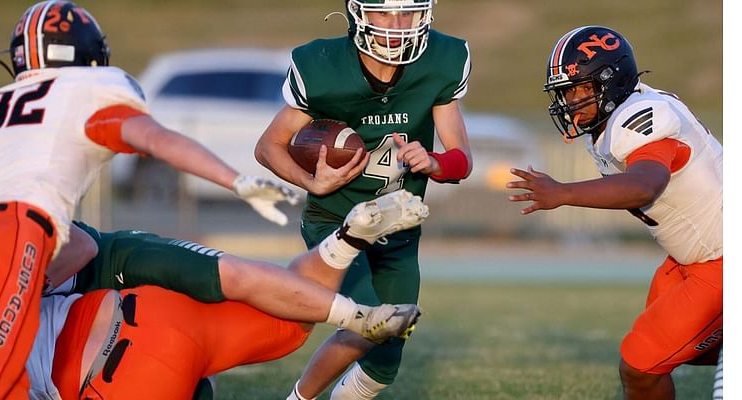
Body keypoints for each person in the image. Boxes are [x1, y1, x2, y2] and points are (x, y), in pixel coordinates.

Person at [0, 1, 298, 398]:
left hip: (46, 256)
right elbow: (156, 141)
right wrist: (235, 181)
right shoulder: (83, 91)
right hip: (59, 251)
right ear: (89, 58)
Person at [254, 1, 473, 398]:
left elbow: (462, 159)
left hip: (399, 227)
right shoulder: (323, 66)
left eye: (407, 13)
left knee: (387, 357)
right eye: (383, 14)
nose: (396, 25)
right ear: (358, 14)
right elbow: (269, 146)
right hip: (337, 223)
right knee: (370, 322)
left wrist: (435, 161)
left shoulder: (441, 60)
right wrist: (312, 182)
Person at [26, 189, 428, 399]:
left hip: (110, 347)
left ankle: (353, 315)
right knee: (286, 318)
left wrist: (16, 292)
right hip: (141, 308)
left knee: (246, 282)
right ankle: (347, 242)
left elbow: (82, 248)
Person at [507, 26, 722, 400]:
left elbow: (644, 186)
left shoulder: (640, 116)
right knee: (687, 351)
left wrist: (562, 193)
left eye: (577, 89)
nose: (568, 100)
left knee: (641, 366)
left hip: (721, 258)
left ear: (610, 81)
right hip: (696, 258)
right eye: (564, 91)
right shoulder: (615, 118)